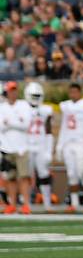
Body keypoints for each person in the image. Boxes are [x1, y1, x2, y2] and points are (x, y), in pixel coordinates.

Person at [56, 83, 83, 212]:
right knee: (72, 174)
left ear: (80, 92)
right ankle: (74, 203)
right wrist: (60, 145)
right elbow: (63, 126)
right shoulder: (66, 106)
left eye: (75, 92)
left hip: (81, 143)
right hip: (69, 143)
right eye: (71, 92)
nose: (73, 94)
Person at [0, 82, 33, 214]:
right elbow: (1, 126)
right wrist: (16, 122)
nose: (13, 93)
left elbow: (26, 125)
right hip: (7, 147)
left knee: (24, 177)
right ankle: (12, 204)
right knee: (10, 178)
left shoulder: (24, 105)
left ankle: (26, 204)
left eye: (14, 90)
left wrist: (10, 123)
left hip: (21, 147)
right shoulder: (2, 107)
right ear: (6, 92)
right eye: (10, 90)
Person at [24, 83, 55, 210]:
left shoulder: (46, 110)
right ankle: (26, 203)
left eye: (38, 96)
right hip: (26, 145)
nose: (36, 98)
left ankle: (47, 203)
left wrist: (49, 150)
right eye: (33, 95)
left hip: (41, 145)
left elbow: (48, 131)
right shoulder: (21, 108)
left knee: (44, 173)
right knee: (26, 175)